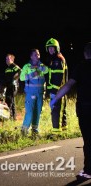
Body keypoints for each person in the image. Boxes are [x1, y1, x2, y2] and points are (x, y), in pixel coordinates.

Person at [50, 42, 91, 180]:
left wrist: (55, 98)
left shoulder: (81, 67)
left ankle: (88, 170)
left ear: (85, 54)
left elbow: (68, 85)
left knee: (88, 140)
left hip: (85, 108)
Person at [19, 49, 49, 136]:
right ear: (31, 56)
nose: (37, 56)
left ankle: (35, 130)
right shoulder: (27, 67)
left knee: (37, 111)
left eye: (38, 54)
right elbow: (21, 78)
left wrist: (40, 68)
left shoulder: (42, 66)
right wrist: (33, 74)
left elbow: (46, 70)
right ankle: (24, 130)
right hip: (30, 93)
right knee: (30, 112)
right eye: (35, 55)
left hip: (40, 93)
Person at [45, 38, 68, 134]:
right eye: (49, 48)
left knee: (56, 111)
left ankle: (56, 133)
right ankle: (63, 130)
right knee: (61, 110)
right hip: (59, 90)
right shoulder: (54, 59)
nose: (50, 50)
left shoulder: (58, 60)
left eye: (52, 48)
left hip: (57, 91)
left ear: (56, 48)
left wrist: (54, 92)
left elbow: (59, 78)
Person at [4, 53, 21, 120]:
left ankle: (9, 117)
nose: (7, 60)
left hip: (13, 86)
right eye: (6, 59)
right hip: (9, 86)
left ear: (12, 59)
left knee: (9, 101)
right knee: (12, 102)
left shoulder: (14, 66)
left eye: (8, 59)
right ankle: (14, 118)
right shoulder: (7, 69)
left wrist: (14, 78)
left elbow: (20, 71)